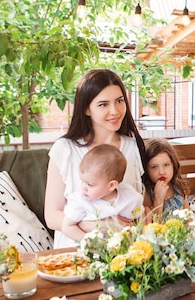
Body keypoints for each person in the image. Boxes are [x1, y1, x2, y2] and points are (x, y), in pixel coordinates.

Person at [45, 69, 146, 248]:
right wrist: (97, 226)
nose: (114, 111)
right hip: (74, 251)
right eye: (103, 104)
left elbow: (142, 204)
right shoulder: (65, 149)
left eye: (119, 101)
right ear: (86, 109)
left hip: (124, 253)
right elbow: (52, 215)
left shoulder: (132, 146)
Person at [62, 144, 143, 242]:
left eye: (90, 184)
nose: (83, 188)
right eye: (82, 181)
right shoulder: (80, 201)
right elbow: (67, 227)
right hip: (92, 251)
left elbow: (140, 218)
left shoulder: (130, 197)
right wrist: (88, 242)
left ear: (111, 185)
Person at [142, 138, 190, 222]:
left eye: (166, 165)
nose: (161, 172)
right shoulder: (146, 193)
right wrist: (158, 199)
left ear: (173, 164)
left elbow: (189, 219)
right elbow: (153, 228)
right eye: (154, 167)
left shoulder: (178, 187)